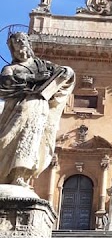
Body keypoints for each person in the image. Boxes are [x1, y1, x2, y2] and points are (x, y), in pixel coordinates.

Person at [0, 32, 75, 186]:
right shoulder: (10, 68)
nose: (20, 45)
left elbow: (63, 72)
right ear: (12, 48)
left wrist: (66, 72)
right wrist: (32, 78)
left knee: (30, 140)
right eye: (16, 43)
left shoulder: (41, 64)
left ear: (29, 43)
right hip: (18, 107)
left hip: (38, 106)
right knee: (8, 139)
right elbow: (4, 84)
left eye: (23, 41)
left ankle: (20, 176)